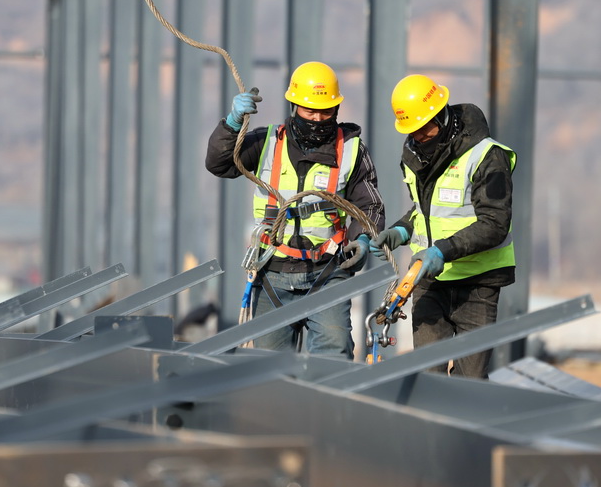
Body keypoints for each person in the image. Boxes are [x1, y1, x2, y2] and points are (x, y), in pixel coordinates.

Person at [206, 61, 385, 358]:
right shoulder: (267, 142)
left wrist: (363, 239)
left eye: (325, 111)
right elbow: (218, 163)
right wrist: (232, 124)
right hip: (272, 272)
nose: (317, 118)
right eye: (309, 110)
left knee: (333, 358)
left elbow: (370, 205)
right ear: (293, 107)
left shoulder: (352, 150)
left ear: (336, 111)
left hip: (328, 272)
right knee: (267, 368)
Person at [369, 75, 515, 378]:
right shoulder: (414, 156)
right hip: (429, 282)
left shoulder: (487, 156)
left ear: (443, 115)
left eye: (427, 128)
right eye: (414, 131)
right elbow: (425, 212)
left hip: (478, 284)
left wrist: (441, 251)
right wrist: (400, 231)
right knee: (427, 377)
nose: (421, 136)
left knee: (469, 383)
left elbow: (494, 223)